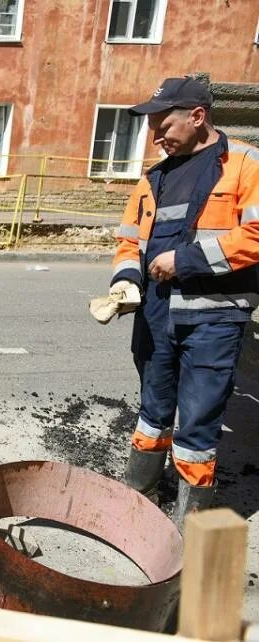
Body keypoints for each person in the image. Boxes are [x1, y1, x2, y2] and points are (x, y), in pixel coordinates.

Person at [112, 76, 259, 526]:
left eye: (164, 123)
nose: (156, 135)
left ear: (198, 117)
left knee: (196, 422)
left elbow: (255, 234)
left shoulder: (244, 164)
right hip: (156, 316)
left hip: (214, 319)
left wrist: (186, 261)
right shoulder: (155, 176)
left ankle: (188, 524)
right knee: (153, 410)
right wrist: (125, 280)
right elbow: (129, 239)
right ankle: (139, 493)